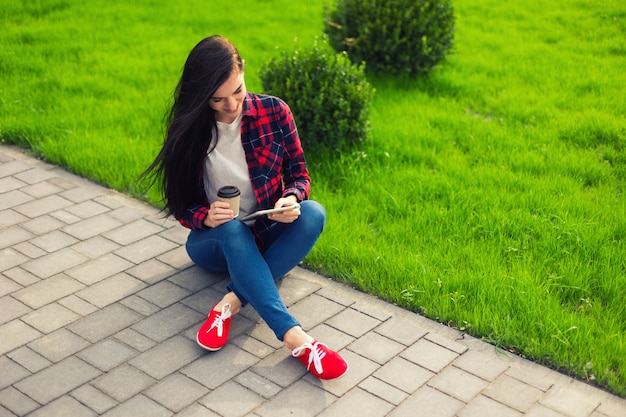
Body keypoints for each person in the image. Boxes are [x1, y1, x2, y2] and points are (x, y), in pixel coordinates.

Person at [142, 35, 348, 380]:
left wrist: (292, 198)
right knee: (233, 228)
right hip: (214, 244)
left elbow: (299, 173)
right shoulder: (189, 131)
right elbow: (179, 205)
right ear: (200, 96)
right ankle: (295, 337)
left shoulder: (274, 111)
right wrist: (204, 216)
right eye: (217, 99)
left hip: (266, 229)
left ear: (243, 71)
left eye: (237, 91)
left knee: (314, 213)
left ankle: (230, 303)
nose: (231, 105)